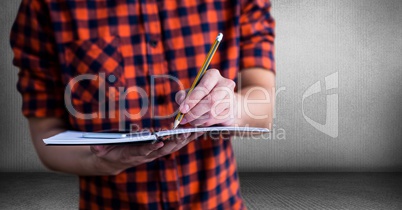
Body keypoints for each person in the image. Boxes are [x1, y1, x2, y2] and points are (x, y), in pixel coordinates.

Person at [10, 0, 275, 209]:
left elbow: (263, 111)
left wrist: (231, 107)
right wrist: (102, 162)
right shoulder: (44, 6)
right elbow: (47, 137)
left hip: (219, 201)